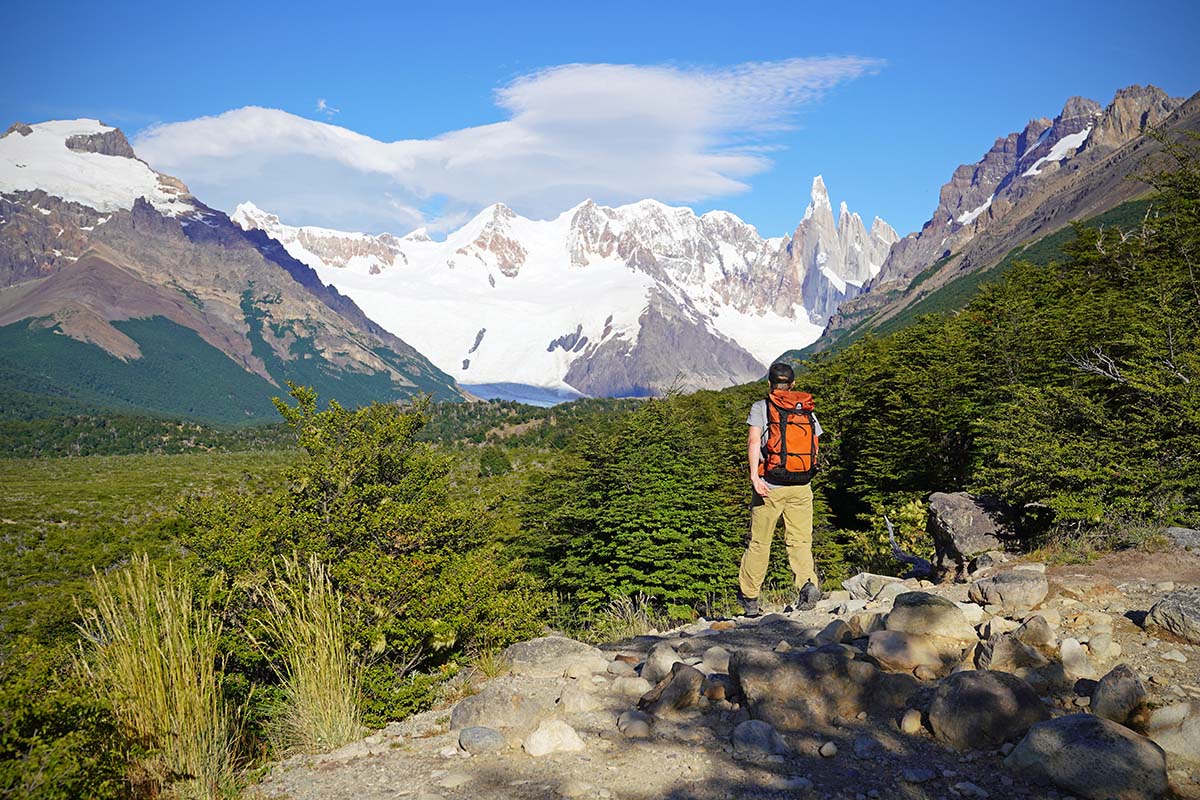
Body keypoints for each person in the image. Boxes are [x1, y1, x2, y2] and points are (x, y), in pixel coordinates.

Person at [737, 361, 824, 617]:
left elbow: (754, 441)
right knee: (800, 541)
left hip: (770, 485)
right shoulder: (805, 407)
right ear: (793, 384)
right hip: (802, 485)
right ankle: (807, 585)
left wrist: (754, 476)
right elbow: (815, 441)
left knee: (760, 543)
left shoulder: (761, 407)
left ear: (769, 383)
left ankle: (750, 599)